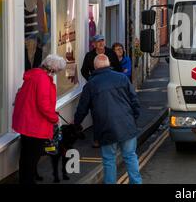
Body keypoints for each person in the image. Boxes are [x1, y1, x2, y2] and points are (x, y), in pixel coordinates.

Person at [74, 54, 142, 184]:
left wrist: (76, 123)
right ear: (108, 64)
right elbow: (134, 100)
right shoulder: (122, 78)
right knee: (130, 156)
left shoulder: (90, 85)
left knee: (109, 159)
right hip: (127, 124)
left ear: (95, 67)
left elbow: (82, 109)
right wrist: (133, 118)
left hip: (105, 127)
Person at [12, 55, 67, 184]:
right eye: (58, 71)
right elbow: (43, 105)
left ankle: (25, 180)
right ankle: (28, 181)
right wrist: (54, 118)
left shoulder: (34, 75)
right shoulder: (43, 79)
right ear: (53, 69)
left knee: (26, 156)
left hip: (26, 122)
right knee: (32, 157)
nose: (56, 74)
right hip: (35, 125)